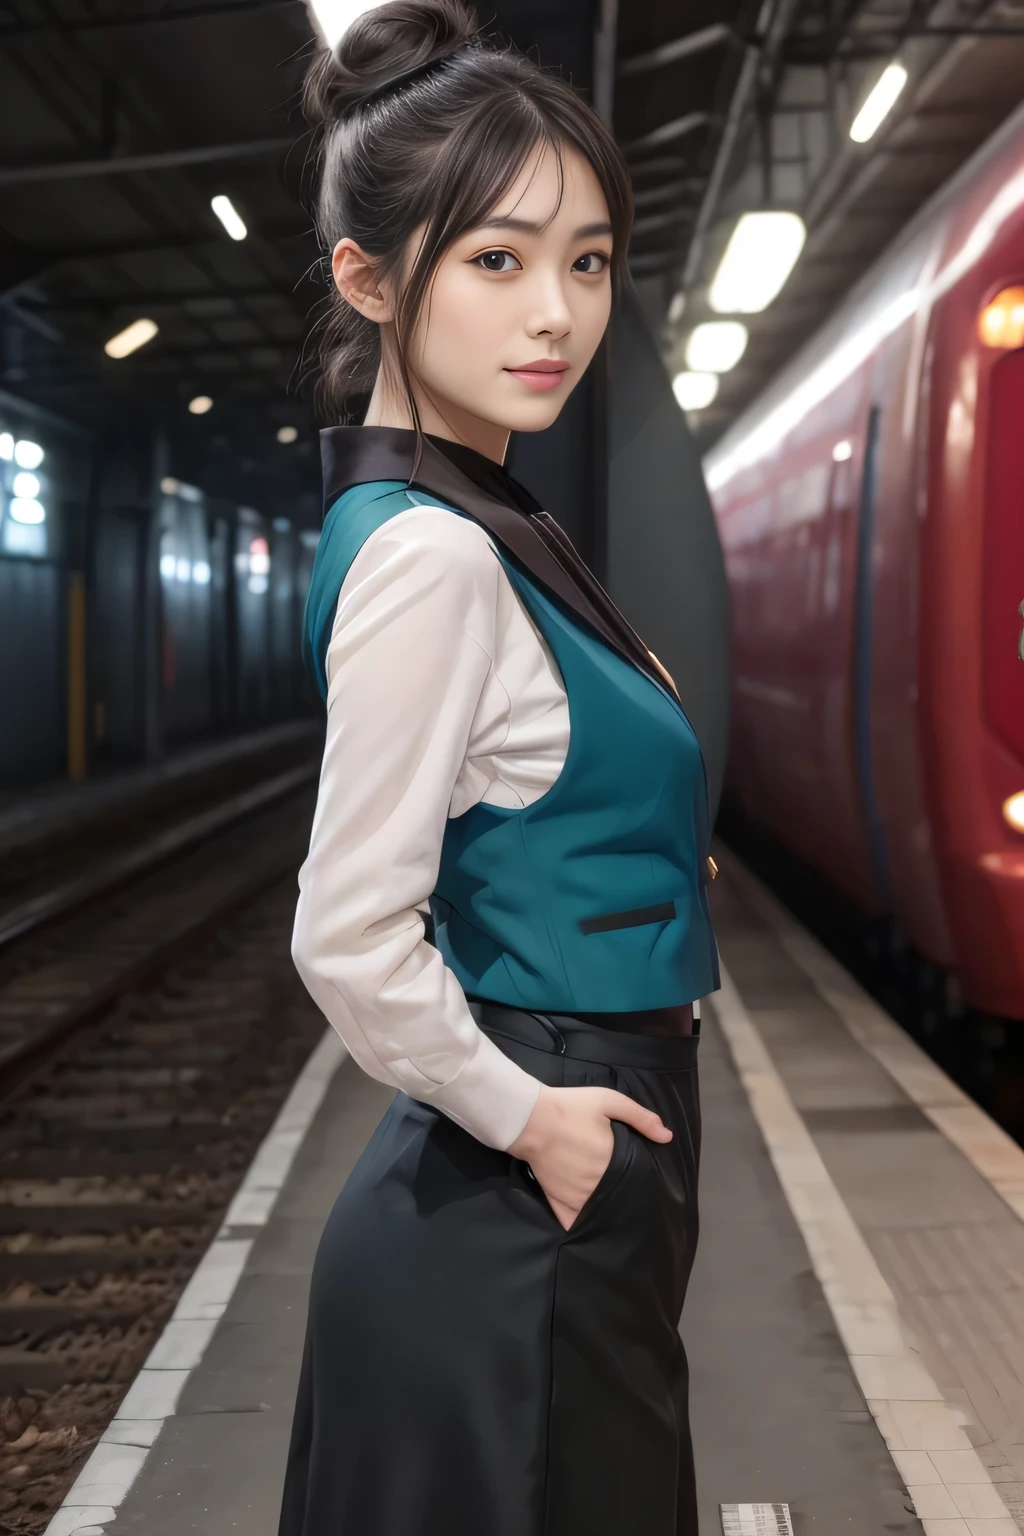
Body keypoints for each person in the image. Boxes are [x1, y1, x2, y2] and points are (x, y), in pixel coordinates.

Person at [279, 3, 720, 1533]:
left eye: (586, 261)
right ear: (371, 277)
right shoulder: (438, 561)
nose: (556, 313)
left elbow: (522, 783)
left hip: (556, 1172)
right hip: (529, 1178)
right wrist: (536, 1119)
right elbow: (345, 937)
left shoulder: (478, 524)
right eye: (497, 259)